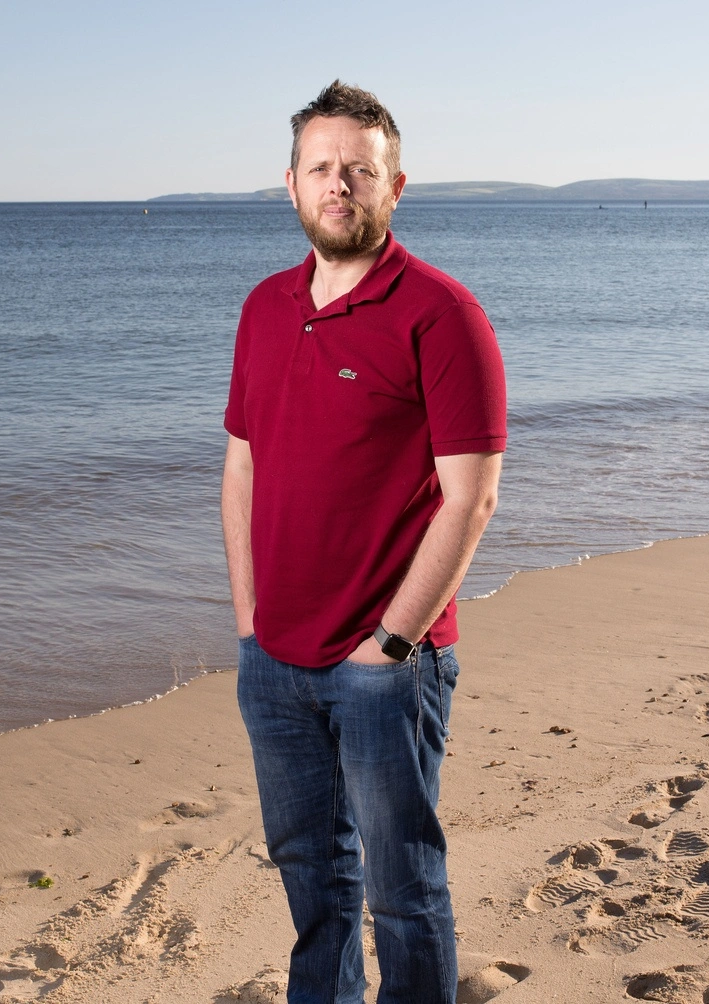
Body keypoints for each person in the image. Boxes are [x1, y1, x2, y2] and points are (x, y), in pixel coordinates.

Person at [221, 80, 507, 1003]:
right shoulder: (264, 307)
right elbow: (242, 467)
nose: (337, 184)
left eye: (359, 170)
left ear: (396, 186)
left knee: (404, 893)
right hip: (276, 660)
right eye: (321, 168)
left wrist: (391, 643)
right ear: (292, 184)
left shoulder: (442, 314)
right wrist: (250, 622)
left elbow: (470, 500)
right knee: (314, 881)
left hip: (386, 663)